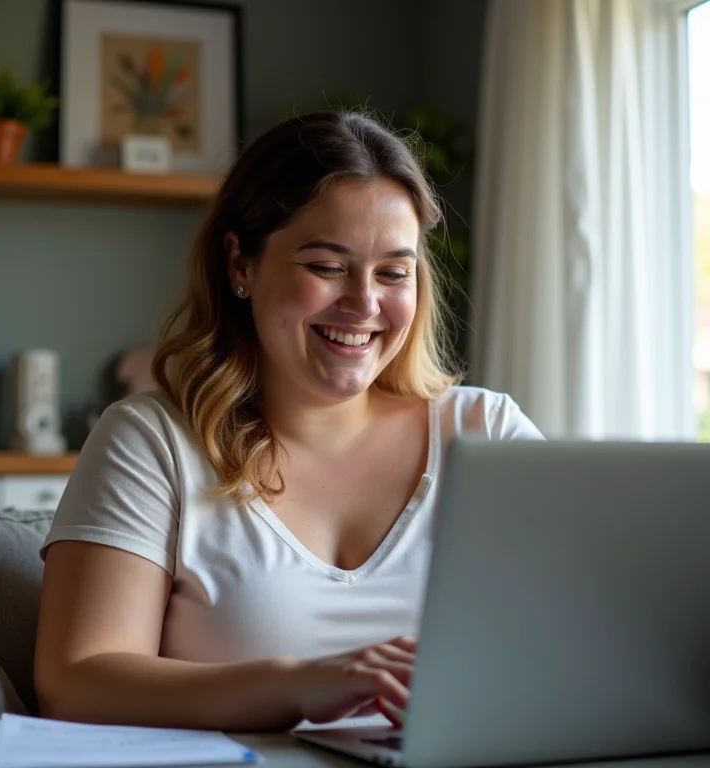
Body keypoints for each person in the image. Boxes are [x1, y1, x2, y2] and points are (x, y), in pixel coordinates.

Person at [34, 110, 542, 734]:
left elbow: (596, 635)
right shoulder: (152, 441)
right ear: (240, 265)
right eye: (327, 266)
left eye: (393, 272)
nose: (364, 303)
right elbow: (76, 679)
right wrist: (299, 684)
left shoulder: (487, 433)